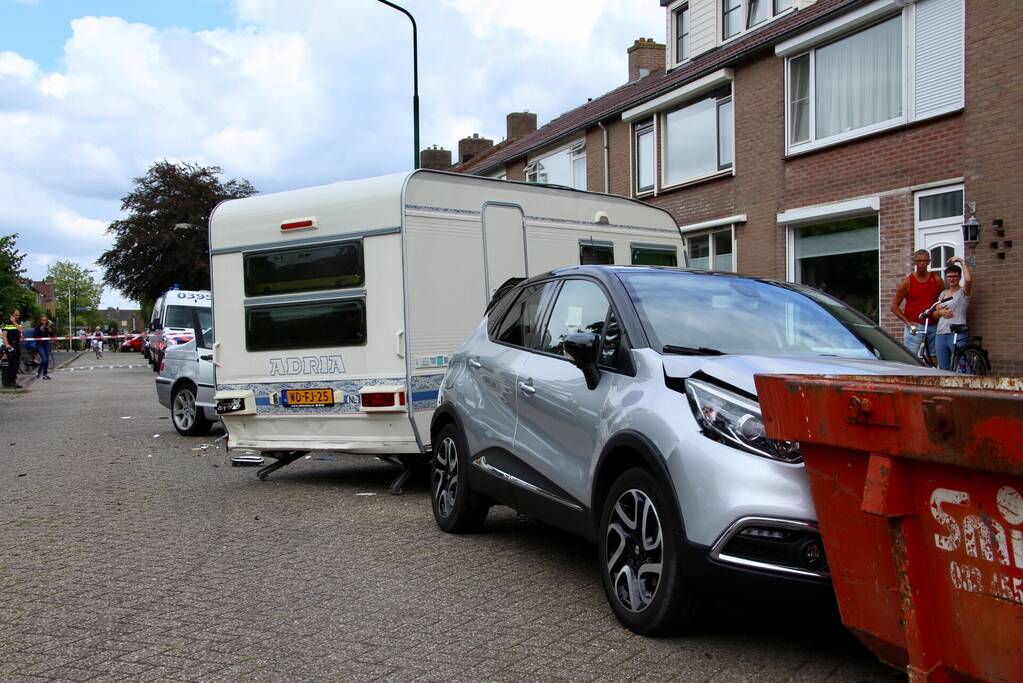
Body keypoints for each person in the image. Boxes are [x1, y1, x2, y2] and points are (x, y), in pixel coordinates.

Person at [890, 249, 944, 357]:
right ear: (914, 262)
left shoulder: (937, 280)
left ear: (929, 262)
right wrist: (908, 322)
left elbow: (943, 300)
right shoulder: (907, 282)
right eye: (919, 261)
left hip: (933, 324)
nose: (922, 263)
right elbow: (894, 306)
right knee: (911, 357)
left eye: (924, 261)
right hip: (915, 325)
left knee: (933, 356)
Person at [935, 257, 973, 370]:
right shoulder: (943, 294)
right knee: (943, 366)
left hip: (957, 332)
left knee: (962, 364)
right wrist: (941, 312)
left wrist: (961, 262)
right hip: (941, 333)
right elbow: (935, 313)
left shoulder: (963, 292)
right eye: (949, 277)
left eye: (955, 276)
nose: (952, 279)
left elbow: (969, 280)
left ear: (959, 277)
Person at [2, 308, 24, 388]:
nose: (18, 316)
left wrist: (14, 322)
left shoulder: (18, 322)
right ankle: (12, 381)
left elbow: (21, 330)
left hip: (17, 345)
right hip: (10, 345)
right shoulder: (6, 323)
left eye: (18, 315)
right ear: (11, 315)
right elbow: (4, 335)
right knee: (12, 363)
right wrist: (7, 344)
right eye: (16, 315)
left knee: (17, 363)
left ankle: (13, 378)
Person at [34, 315, 55, 379]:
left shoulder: (47, 328)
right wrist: (40, 330)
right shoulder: (38, 327)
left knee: (46, 360)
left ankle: (44, 375)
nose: (44, 321)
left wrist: (50, 331)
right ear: (40, 321)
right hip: (40, 345)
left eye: (45, 320)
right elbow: (35, 336)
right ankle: (39, 373)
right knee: (44, 359)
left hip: (46, 344)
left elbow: (53, 336)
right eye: (42, 320)